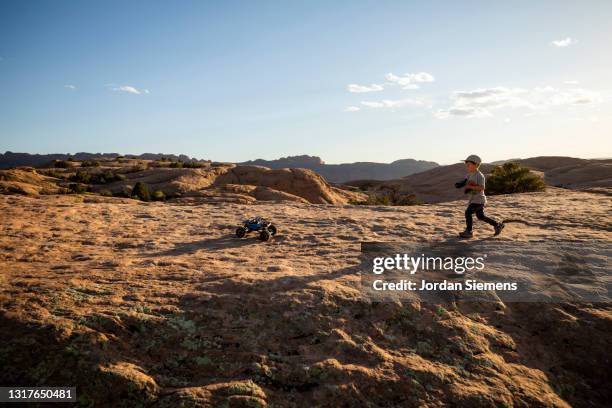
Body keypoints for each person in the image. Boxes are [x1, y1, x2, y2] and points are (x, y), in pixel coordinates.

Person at [456, 155, 504, 238]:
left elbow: (482, 188)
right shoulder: (469, 174)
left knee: (468, 213)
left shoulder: (480, 175)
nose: (467, 166)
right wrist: (460, 184)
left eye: (469, 164)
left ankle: (469, 231)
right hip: (473, 199)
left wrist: (470, 187)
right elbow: (465, 181)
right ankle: (497, 225)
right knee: (480, 216)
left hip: (479, 200)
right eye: (466, 164)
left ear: (476, 165)